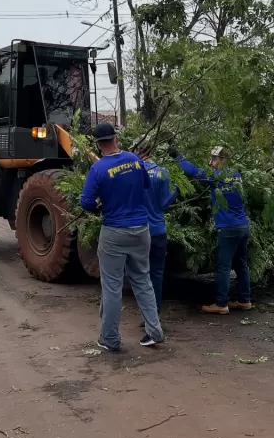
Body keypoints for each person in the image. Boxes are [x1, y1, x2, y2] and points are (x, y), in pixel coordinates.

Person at [80, 123, 164, 351]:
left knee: (112, 286)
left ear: (98, 144)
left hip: (114, 232)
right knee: (143, 280)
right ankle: (155, 332)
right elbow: (145, 185)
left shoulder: (98, 168)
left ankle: (110, 339)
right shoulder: (135, 160)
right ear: (116, 139)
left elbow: (86, 202)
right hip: (141, 230)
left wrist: (100, 203)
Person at [169, 145, 251, 314]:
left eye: (214, 159)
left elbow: (193, 171)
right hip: (243, 226)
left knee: (223, 267)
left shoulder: (215, 177)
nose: (210, 162)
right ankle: (245, 300)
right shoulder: (236, 175)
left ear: (224, 160)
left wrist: (177, 155)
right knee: (241, 264)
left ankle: (221, 304)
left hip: (228, 228)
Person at [135, 144, 178, 320]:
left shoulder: (134, 172)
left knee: (140, 275)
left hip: (140, 230)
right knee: (157, 274)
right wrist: (175, 192)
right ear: (151, 151)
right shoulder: (162, 172)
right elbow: (163, 204)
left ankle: (145, 314)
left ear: (137, 152)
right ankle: (155, 313)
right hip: (158, 231)